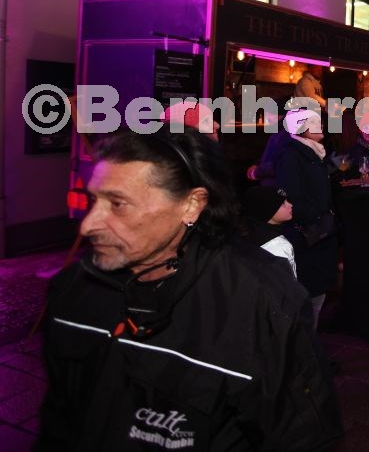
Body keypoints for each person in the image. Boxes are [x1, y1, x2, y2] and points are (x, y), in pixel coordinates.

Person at [37, 127, 342, 449]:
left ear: (191, 205)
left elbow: (301, 436)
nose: (88, 225)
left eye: (118, 204)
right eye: (93, 201)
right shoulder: (74, 291)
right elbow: (58, 423)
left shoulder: (258, 303)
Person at [273, 105, 338, 330]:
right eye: (313, 122)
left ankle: (309, 342)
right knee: (308, 294)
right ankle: (304, 345)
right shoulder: (292, 155)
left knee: (317, 294)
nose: (320, 125)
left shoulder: (315, 152)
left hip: (319, 234)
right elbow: (291, 196)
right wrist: (318, 217)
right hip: (307, 236)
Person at [241, 184, 297, 277]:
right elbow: (287, 284)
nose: (290, 205)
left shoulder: (247, 236)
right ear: (267, 210)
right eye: (282, 203)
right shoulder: (279, 247)